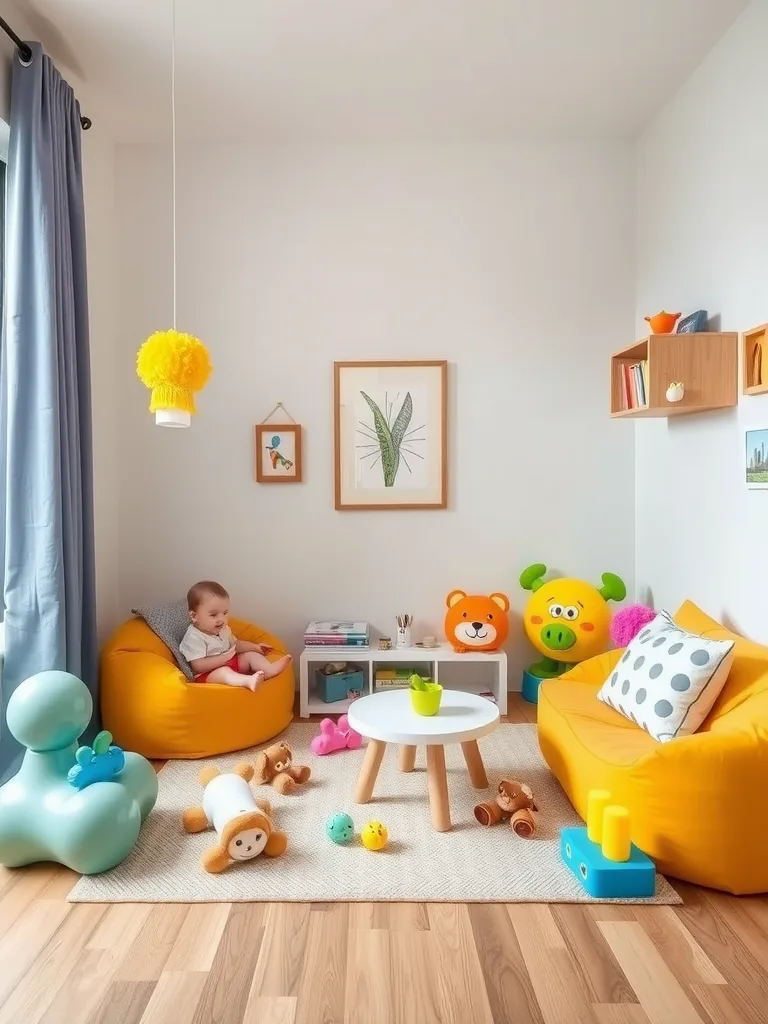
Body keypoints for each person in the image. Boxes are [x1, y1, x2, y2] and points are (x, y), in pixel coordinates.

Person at [180, 580, 291, 690]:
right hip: (208, 675)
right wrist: (222, 659)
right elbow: (198, 666)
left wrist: (255, 647)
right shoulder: (194, 637)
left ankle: (269, 670)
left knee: (250, 655)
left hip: (231, 662)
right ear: (194, 616)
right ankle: (247, 681)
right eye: (213, 615)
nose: (221, 619)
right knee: (224, 672)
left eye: (225, 613)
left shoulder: (223, 629)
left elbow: (236, 644)